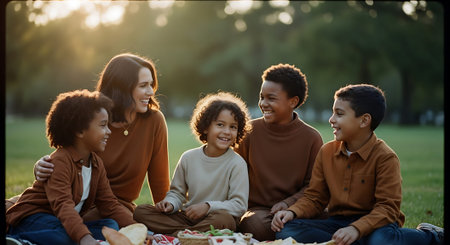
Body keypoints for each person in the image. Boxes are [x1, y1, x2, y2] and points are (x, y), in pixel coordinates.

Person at [271, 84, 444, 245]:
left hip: (378, 223)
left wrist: (356, 229)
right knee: (288, 230)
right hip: (337, 222)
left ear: (364, 121)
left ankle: (431, 235)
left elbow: (387, 208)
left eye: (339, 114)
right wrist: (293, 212)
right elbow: (315, 198)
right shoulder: (326, 152)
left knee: (381, 241)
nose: (331, 119)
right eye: (333, 113)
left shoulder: (385, 157)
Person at [6, 53, 170, 221]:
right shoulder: (93, 115)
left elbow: (160, 184)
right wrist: (40, 167)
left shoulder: (154, 121)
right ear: (122, 88)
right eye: (143, 85)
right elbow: (66, 157)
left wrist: (165, 215)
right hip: (69, 199)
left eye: (151, 84)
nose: (151, 91)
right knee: (17, 210)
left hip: (113, 207)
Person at [6, 90, 136, 245]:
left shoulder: (96, 163)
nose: (109, 131)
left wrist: (139, 229)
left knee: (110, 226)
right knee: (63, 237)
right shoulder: (60, 161)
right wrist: (84, 238)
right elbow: (63, 206)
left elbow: (110, 205)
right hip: (32, 218)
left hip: (60, 222)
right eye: (103, 125)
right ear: (80, 131)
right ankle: (18, 239)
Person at [133, 91, 251, 235]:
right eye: (220, 125)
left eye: (233, 127)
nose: (227, 131)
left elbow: (239, 206)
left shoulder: (237, 163)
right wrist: (170, 203)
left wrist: (208, 207)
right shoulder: (188, 157)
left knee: (225, 221)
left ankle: (181, 236)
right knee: (141, 211)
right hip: (187, 218)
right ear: (206, 127)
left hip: (215, 218)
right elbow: (177, 193)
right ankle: (190, 235)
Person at [235, 64, 323, 241]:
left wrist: (288, 205)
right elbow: (233, 173)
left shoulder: (312, 138)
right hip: (260, 212)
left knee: (331, 218)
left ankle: (292, 232)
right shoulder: (249, 131)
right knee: (255, 225)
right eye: (261, 97)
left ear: (293, 101)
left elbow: (313, 186)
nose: (263, 104)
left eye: (271, 98)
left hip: (297, 210)